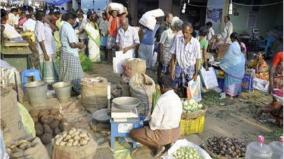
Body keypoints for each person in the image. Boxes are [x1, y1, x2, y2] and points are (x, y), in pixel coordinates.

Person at [130, 75, 182, 158]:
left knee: (133, 133)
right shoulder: (177, 98)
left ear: (163, 87)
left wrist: (148, 126)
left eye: (160, 87)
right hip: (176, 133)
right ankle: (169, 143)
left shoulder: (162, 100)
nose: (160, 90)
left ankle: (157, 146)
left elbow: (154, 124)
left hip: (163, 135)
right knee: (148, 126)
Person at [169, 22, 201, 92]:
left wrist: (196, 73)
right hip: (179, 66)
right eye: (183, 32)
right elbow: (173, 56)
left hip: (190, 68)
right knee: (175, 86)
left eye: (186, 32)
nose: (184, 34)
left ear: (191, 31)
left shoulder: (196, 43)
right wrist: (172, 70)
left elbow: (198, 59)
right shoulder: (177, 39)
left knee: (188, 88)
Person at [59, 12, 85, 94]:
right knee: (77, 74)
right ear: (71, 19)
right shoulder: (68, 27)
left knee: (67, 73)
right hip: (70, 53)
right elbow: (72, 44)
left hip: (66, 52)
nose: (75, 22)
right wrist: (80, 45)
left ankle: (68, 90)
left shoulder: (64, 26)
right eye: (74, 20)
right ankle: (76, 90)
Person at [258, 51, 283, 126]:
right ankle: (261, 111)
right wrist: (271, 85)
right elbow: (272, 69)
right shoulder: (280, 54)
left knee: (281, 105)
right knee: (276, 104)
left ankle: (278, 119)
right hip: (278, 82)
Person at [219, 32, 245, 98]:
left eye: (231, 39)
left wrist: (222, 63)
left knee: (230, 76)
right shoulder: (240, 44)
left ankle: (229, 93)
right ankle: (236, 93)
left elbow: (228, 56)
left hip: (234, 65)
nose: (231, 40)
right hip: (240, 64)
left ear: (233, 38)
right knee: (237, 80)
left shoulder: (233, 45)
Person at [35, 10, 58, 84]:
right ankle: (47, 85)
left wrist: (47, 22)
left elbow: (54, 29)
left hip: (49, 50)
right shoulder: (40, 25)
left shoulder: (43, 24)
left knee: (49, 69)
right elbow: (40, 40)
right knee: (47, 70)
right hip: (45, 51)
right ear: (43, 17)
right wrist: (45, 53)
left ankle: (49, 84)